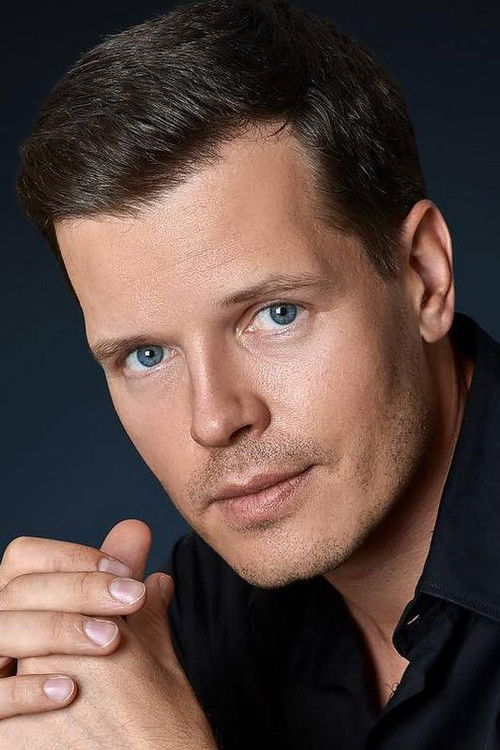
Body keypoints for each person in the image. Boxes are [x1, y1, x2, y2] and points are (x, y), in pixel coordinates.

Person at [14, 0, 500, 747]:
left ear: (423, 276)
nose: (213, 419)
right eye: (147, 355)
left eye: (276, 314)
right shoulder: (188, 620)